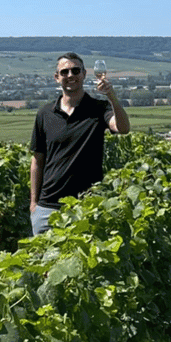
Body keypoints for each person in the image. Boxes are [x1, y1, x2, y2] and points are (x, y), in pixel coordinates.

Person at [29, 53, 131, 235]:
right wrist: (34, 204)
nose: (70, 75)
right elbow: (37, 160)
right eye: (64, 71)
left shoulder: (99, 109)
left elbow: (122, 128)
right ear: (56, 77)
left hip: (86, 206)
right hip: (47, 208)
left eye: (75, 70)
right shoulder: (45, 114)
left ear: (84, 74)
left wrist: (112, 97)